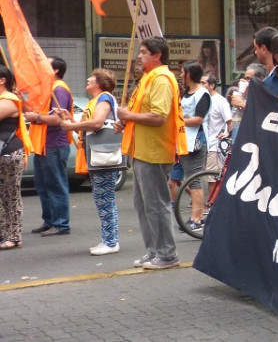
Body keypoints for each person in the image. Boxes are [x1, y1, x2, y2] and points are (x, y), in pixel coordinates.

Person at [115, 36, 187, 270]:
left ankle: (167, 254)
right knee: (143, 204)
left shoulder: (162, 79)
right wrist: (125, 122)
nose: (139, 55)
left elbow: (158, 117)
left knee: (156, 205)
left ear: (157, 55)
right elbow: (142, 114)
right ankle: (154, 251)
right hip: (141, 151)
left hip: (154, 152)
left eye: (144, 52)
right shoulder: (149, 78)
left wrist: (128, 117)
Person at [58, 69, 121, 256]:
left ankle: (111, 241)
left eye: (91, 78)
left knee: (105, 199)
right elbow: (88, 129)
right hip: (96, 155)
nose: (87, 79)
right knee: (102, 199)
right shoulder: (95, 101)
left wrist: (71, 125)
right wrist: (70, 119)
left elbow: (97, 123)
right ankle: (108, 239)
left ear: (100, 82)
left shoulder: (104, 98)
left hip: (103, 156)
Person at [25, 56, 74, 237]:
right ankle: (50, 220)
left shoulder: (59, 89)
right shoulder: (47, 89)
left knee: (55, 185)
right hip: (43, 144)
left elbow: (57, 119)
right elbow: (31, 110)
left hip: (54, 144)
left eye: (46, 63)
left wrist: (36, 118)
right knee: (43, 185)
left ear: (55, 70)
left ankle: (61, 224)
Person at [175, 61, 211, 231]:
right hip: (182, 142)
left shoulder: (202, 94)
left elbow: (198, 119)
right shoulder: (185, 93)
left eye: (182, 72)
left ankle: (196, 218)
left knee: (194, 180)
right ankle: (196, 214)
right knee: (185, 179)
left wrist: (177, 122)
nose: (181, 75)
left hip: (196, 142)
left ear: (189, 74)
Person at [0, 66, 32, 250]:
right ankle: (4, 233)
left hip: (9, 153)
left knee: (10, 195)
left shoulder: (9, 100)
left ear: (2, 80)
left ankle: (14, 236)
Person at [201, 74, 232, 192]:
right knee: (210, 177)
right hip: (205, 144)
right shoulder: (204, 99)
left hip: (215, 145)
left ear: (212, 85)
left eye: (204, 83)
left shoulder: (220, 101)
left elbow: (229, 120)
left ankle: (212, 205)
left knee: (213, 178)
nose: (201, 85)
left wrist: (227, 133)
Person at [230, 63, 268, 140]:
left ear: (260, 79)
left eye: (248, 78)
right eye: (245, 78)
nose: (245, 81)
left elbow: (262, 114)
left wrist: (242, 104)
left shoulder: (266, 95)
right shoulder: (246, 96)